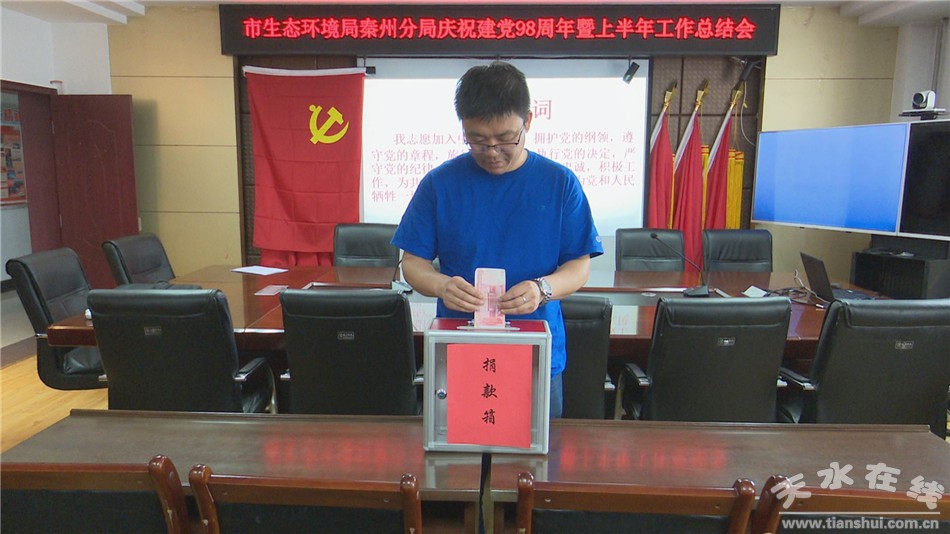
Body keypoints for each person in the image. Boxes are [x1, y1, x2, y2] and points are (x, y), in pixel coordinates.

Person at [392, 61, 603, 418]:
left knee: (537, 453)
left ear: (528, 121)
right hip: (461, 348)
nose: (491, 151)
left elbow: (578, 266)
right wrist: (442, 285)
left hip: (536, 352)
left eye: (506, 138)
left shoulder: (559, 183)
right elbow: (412, 263)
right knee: (459, 450)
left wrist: (542, 289)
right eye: (477, 140)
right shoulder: (440, 184)